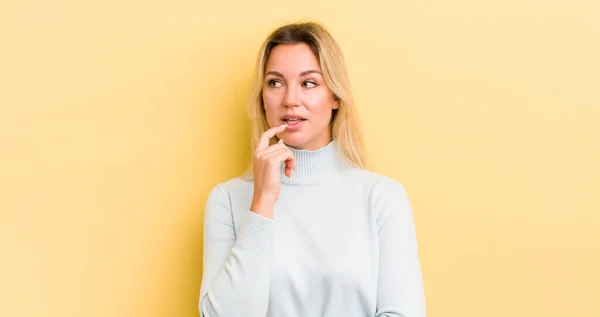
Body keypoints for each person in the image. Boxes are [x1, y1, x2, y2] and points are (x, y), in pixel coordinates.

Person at [198, 21, 426, 317]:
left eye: (308, 83)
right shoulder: (227, 200)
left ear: (334, 97)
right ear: (262, 98)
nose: (290, 100)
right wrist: (263, 202)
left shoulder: (382, 198)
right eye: (275, 82)